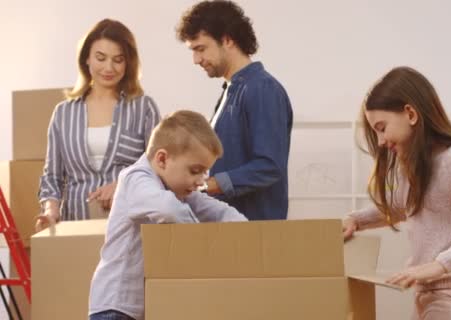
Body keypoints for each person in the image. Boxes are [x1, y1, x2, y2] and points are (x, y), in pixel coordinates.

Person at [342, 67, 451, 319]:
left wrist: (439, 265)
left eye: (382, 127)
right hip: (427, 293)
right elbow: (400, 207)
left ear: (410, 114)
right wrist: (357, 220)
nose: (380, 141)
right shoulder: (410, 165)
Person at [88, 110, 247, 320]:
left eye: (205, 173)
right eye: (195, 170)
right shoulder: (135, 179)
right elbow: (168, 210)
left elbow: (220, 211)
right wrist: (201, 239)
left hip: (140, 309)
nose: (201, 181)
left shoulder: (176, 188)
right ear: (162, 159)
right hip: (115, 306)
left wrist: (244, 234)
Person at [36, 19, 160, 231]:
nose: (108, 68)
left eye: (118, 60)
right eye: (100, 58)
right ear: (86, 59)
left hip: (130, 226)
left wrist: (123, 184)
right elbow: (52, 177)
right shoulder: (63, 113)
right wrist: (50, 211)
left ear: (128, 63)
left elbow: (158, 167)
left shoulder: (143, 108)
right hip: (76, 226)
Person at [176, 0, 293, 220]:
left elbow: (269, 166)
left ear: (228, 40)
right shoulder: (231, 91)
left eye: (201, 49)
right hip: (231, 228)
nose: (196, 60)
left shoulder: (262, 89)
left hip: (253, 231)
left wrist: (208, 185)